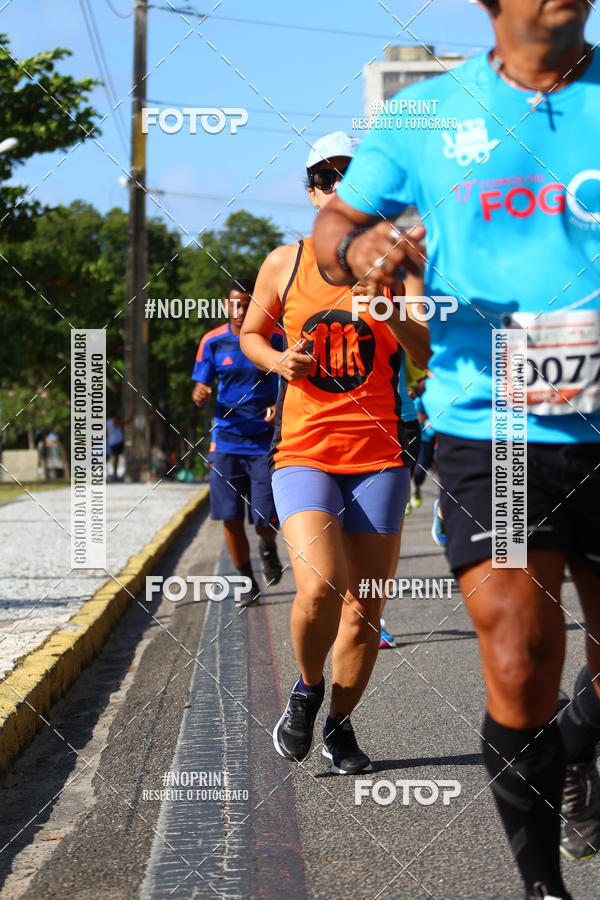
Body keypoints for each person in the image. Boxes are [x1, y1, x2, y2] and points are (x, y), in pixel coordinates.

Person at [312, 3, 600, 896]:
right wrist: (362, 243)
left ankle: (574, 747)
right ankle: (543, 887)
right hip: (497, 428)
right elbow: (333, 232)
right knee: (521, 654)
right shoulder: (426, 114)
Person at [240, 132, 430, 774]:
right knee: (320, 585)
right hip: (303, 452)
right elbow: (251, 333)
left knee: (365, 606)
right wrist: (276, 359)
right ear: (313, 193)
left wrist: (391, 311)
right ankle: (306, 690)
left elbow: (426, 351)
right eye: (327, 178)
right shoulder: (283, 263)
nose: (339, 188)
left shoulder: (401, 261)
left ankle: (341, 729)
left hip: (377, 457)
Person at [192, 277, 284, 607]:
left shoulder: (276, 338)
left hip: (264, 444)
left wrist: (278, 405)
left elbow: (290, 380)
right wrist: (200, 393)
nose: (241, 311)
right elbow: (200, 386)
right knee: (230, 518)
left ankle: (268, 545)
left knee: (265, 519)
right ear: (225, 306)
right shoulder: (212, 341)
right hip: (226, 443)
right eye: (235, 304)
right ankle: (247, 582)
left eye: (247, 304)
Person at [106, 411, 125, 481]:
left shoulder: (107, 422)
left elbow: (106, 432)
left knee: (113, 458)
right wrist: (132, 415)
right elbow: (126, 422)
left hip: (111, 442)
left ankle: (112, 474)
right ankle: (114, 474)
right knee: (116, 459)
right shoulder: (115, 421)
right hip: (117, 442)